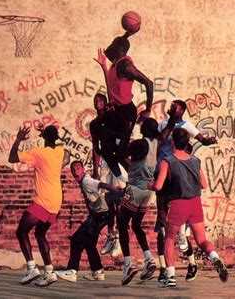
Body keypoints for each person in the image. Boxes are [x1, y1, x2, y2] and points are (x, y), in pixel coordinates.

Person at [148, 128, 228, 288]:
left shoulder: (168, 161)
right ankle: (215, 258)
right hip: (195, 203)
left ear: (172, 142)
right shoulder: (195, 161)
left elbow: (158, 186)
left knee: (169, 239)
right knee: (202, 240)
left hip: (179, 203)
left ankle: (170, 277)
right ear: (187, 143)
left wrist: (149, 184)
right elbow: (204, 184)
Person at [155, 100, 217, 282]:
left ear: (182, 110)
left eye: (176, 105)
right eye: (171, 105)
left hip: (174, 173)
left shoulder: (187, 127)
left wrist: (208, 141)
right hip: (162, 172)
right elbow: (157, 143)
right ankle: (165, 269)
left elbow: (201, 139)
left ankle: (186, 265)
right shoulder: (163, 124)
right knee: (163, 224)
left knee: (174, 225)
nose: (172, 106)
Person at [8, 124, 69, 287]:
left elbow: (12, 158)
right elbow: (64, 150)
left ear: (43, 138)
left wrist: (18, 139)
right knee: (40, 234)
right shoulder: (59, 151)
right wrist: (46, 134)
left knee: (21, 232)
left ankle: (32, 268)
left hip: (43, 200)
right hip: (57, 201)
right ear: (55, 138)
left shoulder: (39, 153)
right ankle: (49, 272)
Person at [93, 32, 153, 176]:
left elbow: (149, 83)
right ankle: (122, 180)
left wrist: (147, 110)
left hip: (126, 112)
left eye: (113, 44)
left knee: (120, 152)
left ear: (118, 48)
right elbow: (111, 49)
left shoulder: (125, 65)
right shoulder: (114, 65)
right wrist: (127, 33)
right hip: (116, 112)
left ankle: (139, 177)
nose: (109, 48)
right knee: (105, 149)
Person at [55, 161, 125, 283]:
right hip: (99, 215)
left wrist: (117, 191)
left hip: (100, 216)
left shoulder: (87, 181)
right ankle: (97, 271)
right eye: (73, 170)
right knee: (89, 243)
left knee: (76, 239)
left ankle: (71, 271)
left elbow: (102, 184)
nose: (75, 171)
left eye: (77, 168)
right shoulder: (83, 182)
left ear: (83, 170)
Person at [118, 118, 159, 286]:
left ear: (144, 129)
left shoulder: (139, 144)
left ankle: (128, 264)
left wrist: (126, 129)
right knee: (136, 225)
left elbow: (121, 155)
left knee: (122, 225)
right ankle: (149, 259)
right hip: (147, 191)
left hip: (135, 189)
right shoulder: (156, 143)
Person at [89, 92, 123, 257]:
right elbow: (95, 146)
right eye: (96, 100)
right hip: (104, 161)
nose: (98, 102)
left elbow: (124, 136)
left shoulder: (114, 119)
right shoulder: (94, 124)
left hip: (116, 159)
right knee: (106, 199)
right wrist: (95, 169)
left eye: (101, 99)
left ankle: (117, 237)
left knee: (118, 197)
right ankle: (111, 235)